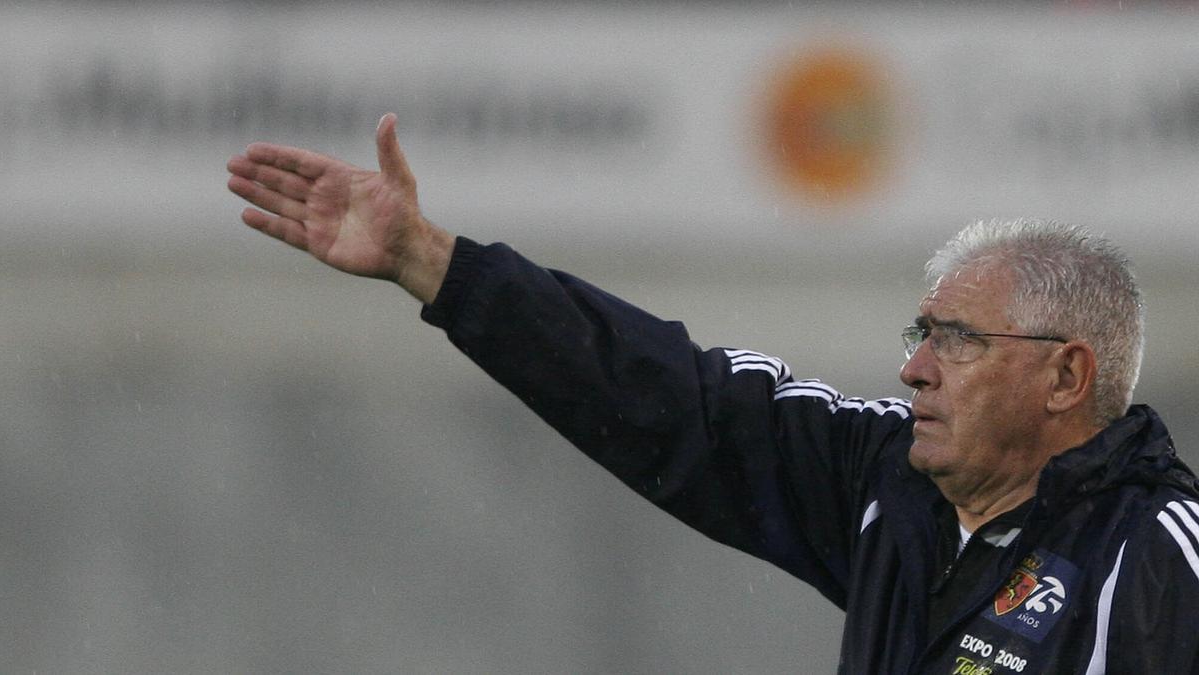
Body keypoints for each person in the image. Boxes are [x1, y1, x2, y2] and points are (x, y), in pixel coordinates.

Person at [227, 113, 1199, 673]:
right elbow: (671, 399)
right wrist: (434, 264)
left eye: (957, 341)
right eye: (920, 336)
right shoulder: (890, 482)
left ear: (1066, 375)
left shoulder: (1162, 557)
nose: (915, 367)